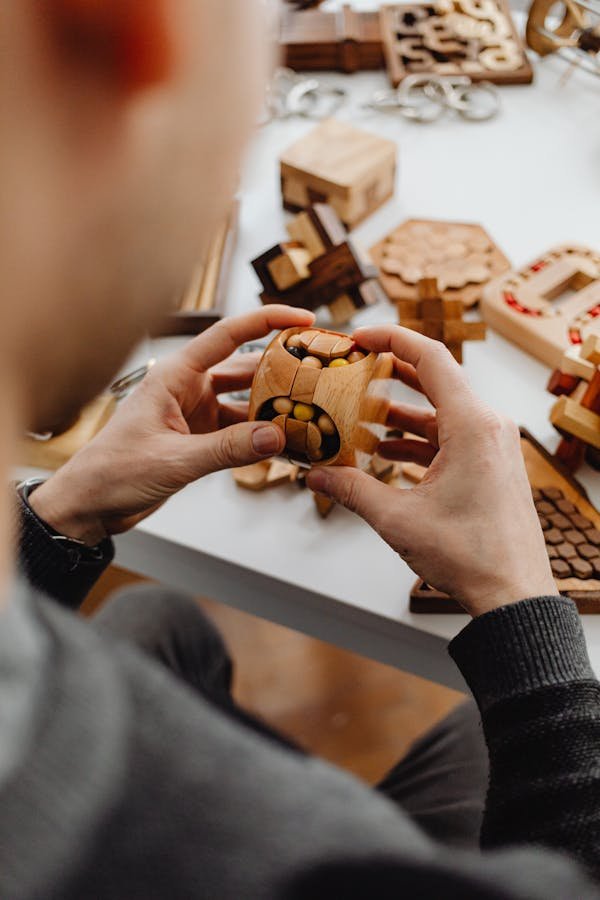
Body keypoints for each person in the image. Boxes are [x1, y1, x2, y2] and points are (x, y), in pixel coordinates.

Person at [0, 1, 598, 897]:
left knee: (158, 617)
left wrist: (59, 518)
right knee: (490, 736)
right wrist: (522, 610)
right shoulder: (320, 867)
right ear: (135, 37)